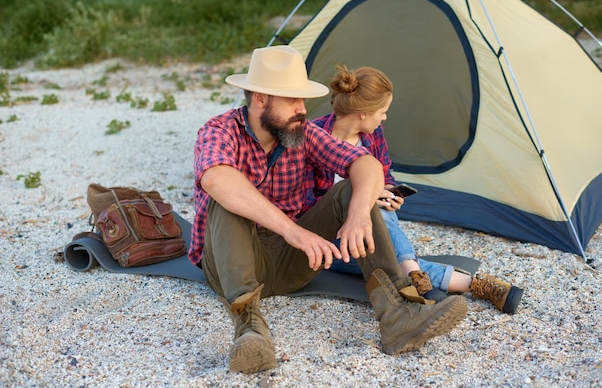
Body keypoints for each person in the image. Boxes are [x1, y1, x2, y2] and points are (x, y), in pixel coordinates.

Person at [191, 45, 468, 374]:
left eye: (303, 99)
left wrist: (358, 213)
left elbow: (365, 163)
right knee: (230, 200)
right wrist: (295, 231)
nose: (302, 109)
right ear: (260, 99)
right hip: (229, 265)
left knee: (350, 189)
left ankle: (398, 316)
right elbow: (218, 179)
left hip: (290, 263)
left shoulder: (302, 133)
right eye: (292, 99)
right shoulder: (219, 131)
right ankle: (250, 330)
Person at [303, 65, 524, 315]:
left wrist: (388, 193)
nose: (385, 117)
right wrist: (364, 199)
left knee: (381, 218)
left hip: (369, 233)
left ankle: (422, 278)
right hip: (330, 240)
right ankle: (463, 282)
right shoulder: (314, 138)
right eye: (383, 111)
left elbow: (385, 176)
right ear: (363, 113)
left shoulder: (372, 136)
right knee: (378, 230)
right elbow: (308, 206)